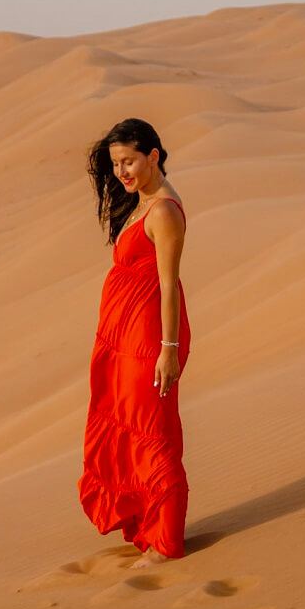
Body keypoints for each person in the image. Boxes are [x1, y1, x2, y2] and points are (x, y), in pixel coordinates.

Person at [78, 118, 192, 568]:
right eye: (116, 163)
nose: (122, 172)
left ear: (154, 157)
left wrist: (169, 348)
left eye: (129, 161)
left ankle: (166, 543)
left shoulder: (163, 211)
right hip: (124, 337)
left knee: (153, 432)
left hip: (149, 339)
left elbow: (169, 285)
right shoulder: (143, 203)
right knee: (132, 426)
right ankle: (149, 524)